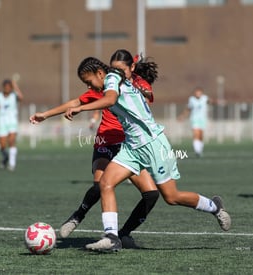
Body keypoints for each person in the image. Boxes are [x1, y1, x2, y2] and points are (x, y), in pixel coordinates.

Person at [65, 55, 231, 252]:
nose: (89, 86)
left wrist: (80, 108)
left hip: (153, 144)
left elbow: (110, 99)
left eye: (89, 81)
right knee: (105, 184)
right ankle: (111, 237)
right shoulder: (113, 80)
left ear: (100, 73)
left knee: (171, 197)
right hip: (132, 147)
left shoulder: (110, 79)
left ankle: (214, 206)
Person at [29, 55, 159, 248]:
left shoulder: (126, 85)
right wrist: (45, 115)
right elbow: (75, 102)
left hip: (129, 147)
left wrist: (139, 86)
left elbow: (148, 93)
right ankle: (78, 215)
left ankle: (123, 234)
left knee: (151, 195)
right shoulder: (102, 89)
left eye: (88, 82)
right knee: (100, 185)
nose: (89, 87)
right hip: (105, 143)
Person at [0, 79, 23, 171]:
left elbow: (21, 97)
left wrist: (15, 86)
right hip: (2, 122)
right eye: (6, 87)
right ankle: (6, 157)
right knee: (2, 145)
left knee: (12, 141)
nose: (8, 89)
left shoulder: (14, 95)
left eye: (10, 87)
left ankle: (12, 164)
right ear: (3, 87)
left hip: (12, 122)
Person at [178, 87, 210, 157]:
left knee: (201, 135)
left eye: (199, 93)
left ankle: (200, 150)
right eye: (196, 93)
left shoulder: (205, 98)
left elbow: (210, 101)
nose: (198, 94)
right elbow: (188, 109)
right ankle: (197, 151)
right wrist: (182, 116)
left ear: (201, 93)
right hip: (194, 119)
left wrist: (218, 101)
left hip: (202, 119)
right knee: (196, 134)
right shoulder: (191, 99)